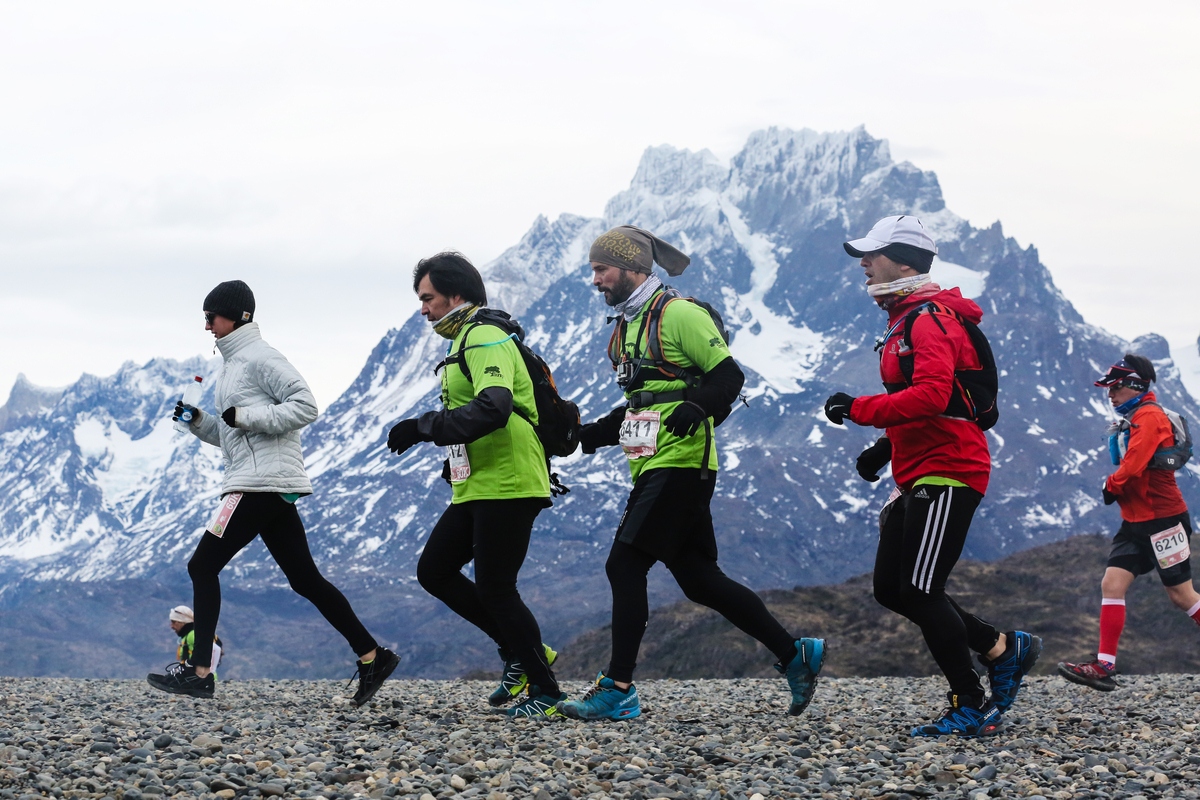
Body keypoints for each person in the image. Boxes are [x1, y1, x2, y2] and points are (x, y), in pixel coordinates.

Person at [558, 225, 825, 722]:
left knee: (624, 565)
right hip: (652, 463)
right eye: (593, 269)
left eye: (602, 269)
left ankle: (618, 688)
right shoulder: (623, 329)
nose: (594, 279)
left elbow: (730, 376)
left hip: (682, 462)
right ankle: (795, 654)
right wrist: (589, 436)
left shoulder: (678, 315)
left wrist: (698, 407)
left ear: (635, 267)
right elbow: (639, 405)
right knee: (700, 580)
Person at [825, 215, 1041, 737]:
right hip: (919, 468)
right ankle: (1001, 648)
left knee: (921, 589)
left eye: (872, 256)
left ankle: (972, 703)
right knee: (891, 590)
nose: (863, 264)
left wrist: (861, 410)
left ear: (903, 262)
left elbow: (934, 395)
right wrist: (883, 448)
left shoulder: (929, 318)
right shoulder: (905, 319)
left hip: (951, 469)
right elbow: (928, 405)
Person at [147, 280, 399, 702]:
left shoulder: (261, 357)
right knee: (304, 579)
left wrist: (244, 414)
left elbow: (305, 406)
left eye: (212, 317)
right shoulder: (231, 365)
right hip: (260, 479)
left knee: (202, 566)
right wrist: (198, 421)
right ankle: (373, 656)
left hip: (258, 484)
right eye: (205, 318)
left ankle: (200, 672)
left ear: (238, 316)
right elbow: (233, 432)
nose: (207, 326)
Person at [386, 252, 564, 718]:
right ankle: (525, 653)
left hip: (509, 479)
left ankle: (545, 692)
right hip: (478, 483)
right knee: (435, 571)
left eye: (427, 298)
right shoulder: (462, 338)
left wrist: (423, 426)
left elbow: (494, 406)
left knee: (497, 587)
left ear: (456, 295)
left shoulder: (484, 336)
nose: (423, 309)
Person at [1058, 354, 1199, 690]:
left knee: (1182, 597)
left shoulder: (1149, 417)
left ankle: (1104, 664)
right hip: (1135, 522)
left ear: (1134, 386)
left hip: (1163, 520)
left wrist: (1111, 484)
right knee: (1112, 584)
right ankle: (1104, 665)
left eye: (1115, 387)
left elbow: (1135, 465)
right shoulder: (1136, 416)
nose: (1110, 394)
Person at [168, 605, 223, 678]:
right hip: (196, 678)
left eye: (174, 622)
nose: (171, 626)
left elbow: (215, 649)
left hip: (200, 678)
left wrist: (210, 671)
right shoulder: (188, 635)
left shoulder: (193, 634)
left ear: (183, 621)